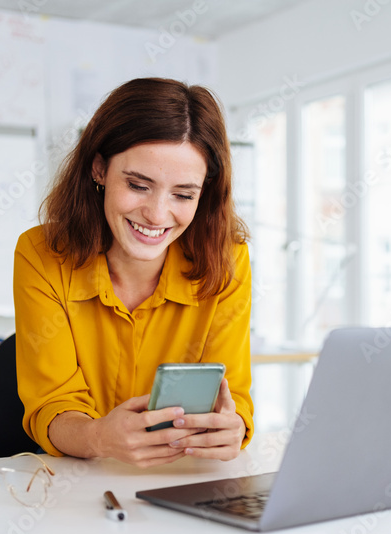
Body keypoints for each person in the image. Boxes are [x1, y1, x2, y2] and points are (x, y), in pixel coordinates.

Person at [13, 77, 253, 468]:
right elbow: (52, 405)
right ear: (99, 169)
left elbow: (234, 396)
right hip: (79, 479)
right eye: (139, 185)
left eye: (183, 194)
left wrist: (233, 427)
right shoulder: (41, 255)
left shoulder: (228, 260)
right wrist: (97, 437)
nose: (158, 215)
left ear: (203, 194)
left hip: (181, 479)